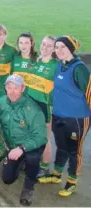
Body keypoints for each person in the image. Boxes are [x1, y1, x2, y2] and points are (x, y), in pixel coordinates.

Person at [39, 36, 90, 197]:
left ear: (71, 49)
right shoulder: (60, 65)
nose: (59, 50)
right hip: (59, 115)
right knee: (61, 146)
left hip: (77, 118)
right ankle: (56, 174)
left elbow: (89, 93)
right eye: (57, 47)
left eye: (63, 47)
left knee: (75, 151)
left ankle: (72, 181)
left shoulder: (79, 68)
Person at [0, 74, 47, 206]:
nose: (12, 91)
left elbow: (41, 137)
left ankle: (29, 187)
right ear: (5, 87)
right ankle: (20, 162)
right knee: (7, 179)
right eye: (9, 87)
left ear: (23, 88)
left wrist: (22, 148)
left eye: (16, 88)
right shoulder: (1, 102)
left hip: (30, 145)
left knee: (32, 158)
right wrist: (2, 144)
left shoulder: (33, 109)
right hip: (12, 146)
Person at [15, 36, 57, 176]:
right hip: (30, 105)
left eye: (49, 45)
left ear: (54, 49)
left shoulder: (55, 65)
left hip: (44, 106)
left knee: (44, 137)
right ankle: (30, 161)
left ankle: (44, 167)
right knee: (29, 134)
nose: (45, 47)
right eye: (44, 44)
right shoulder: (36, 62)